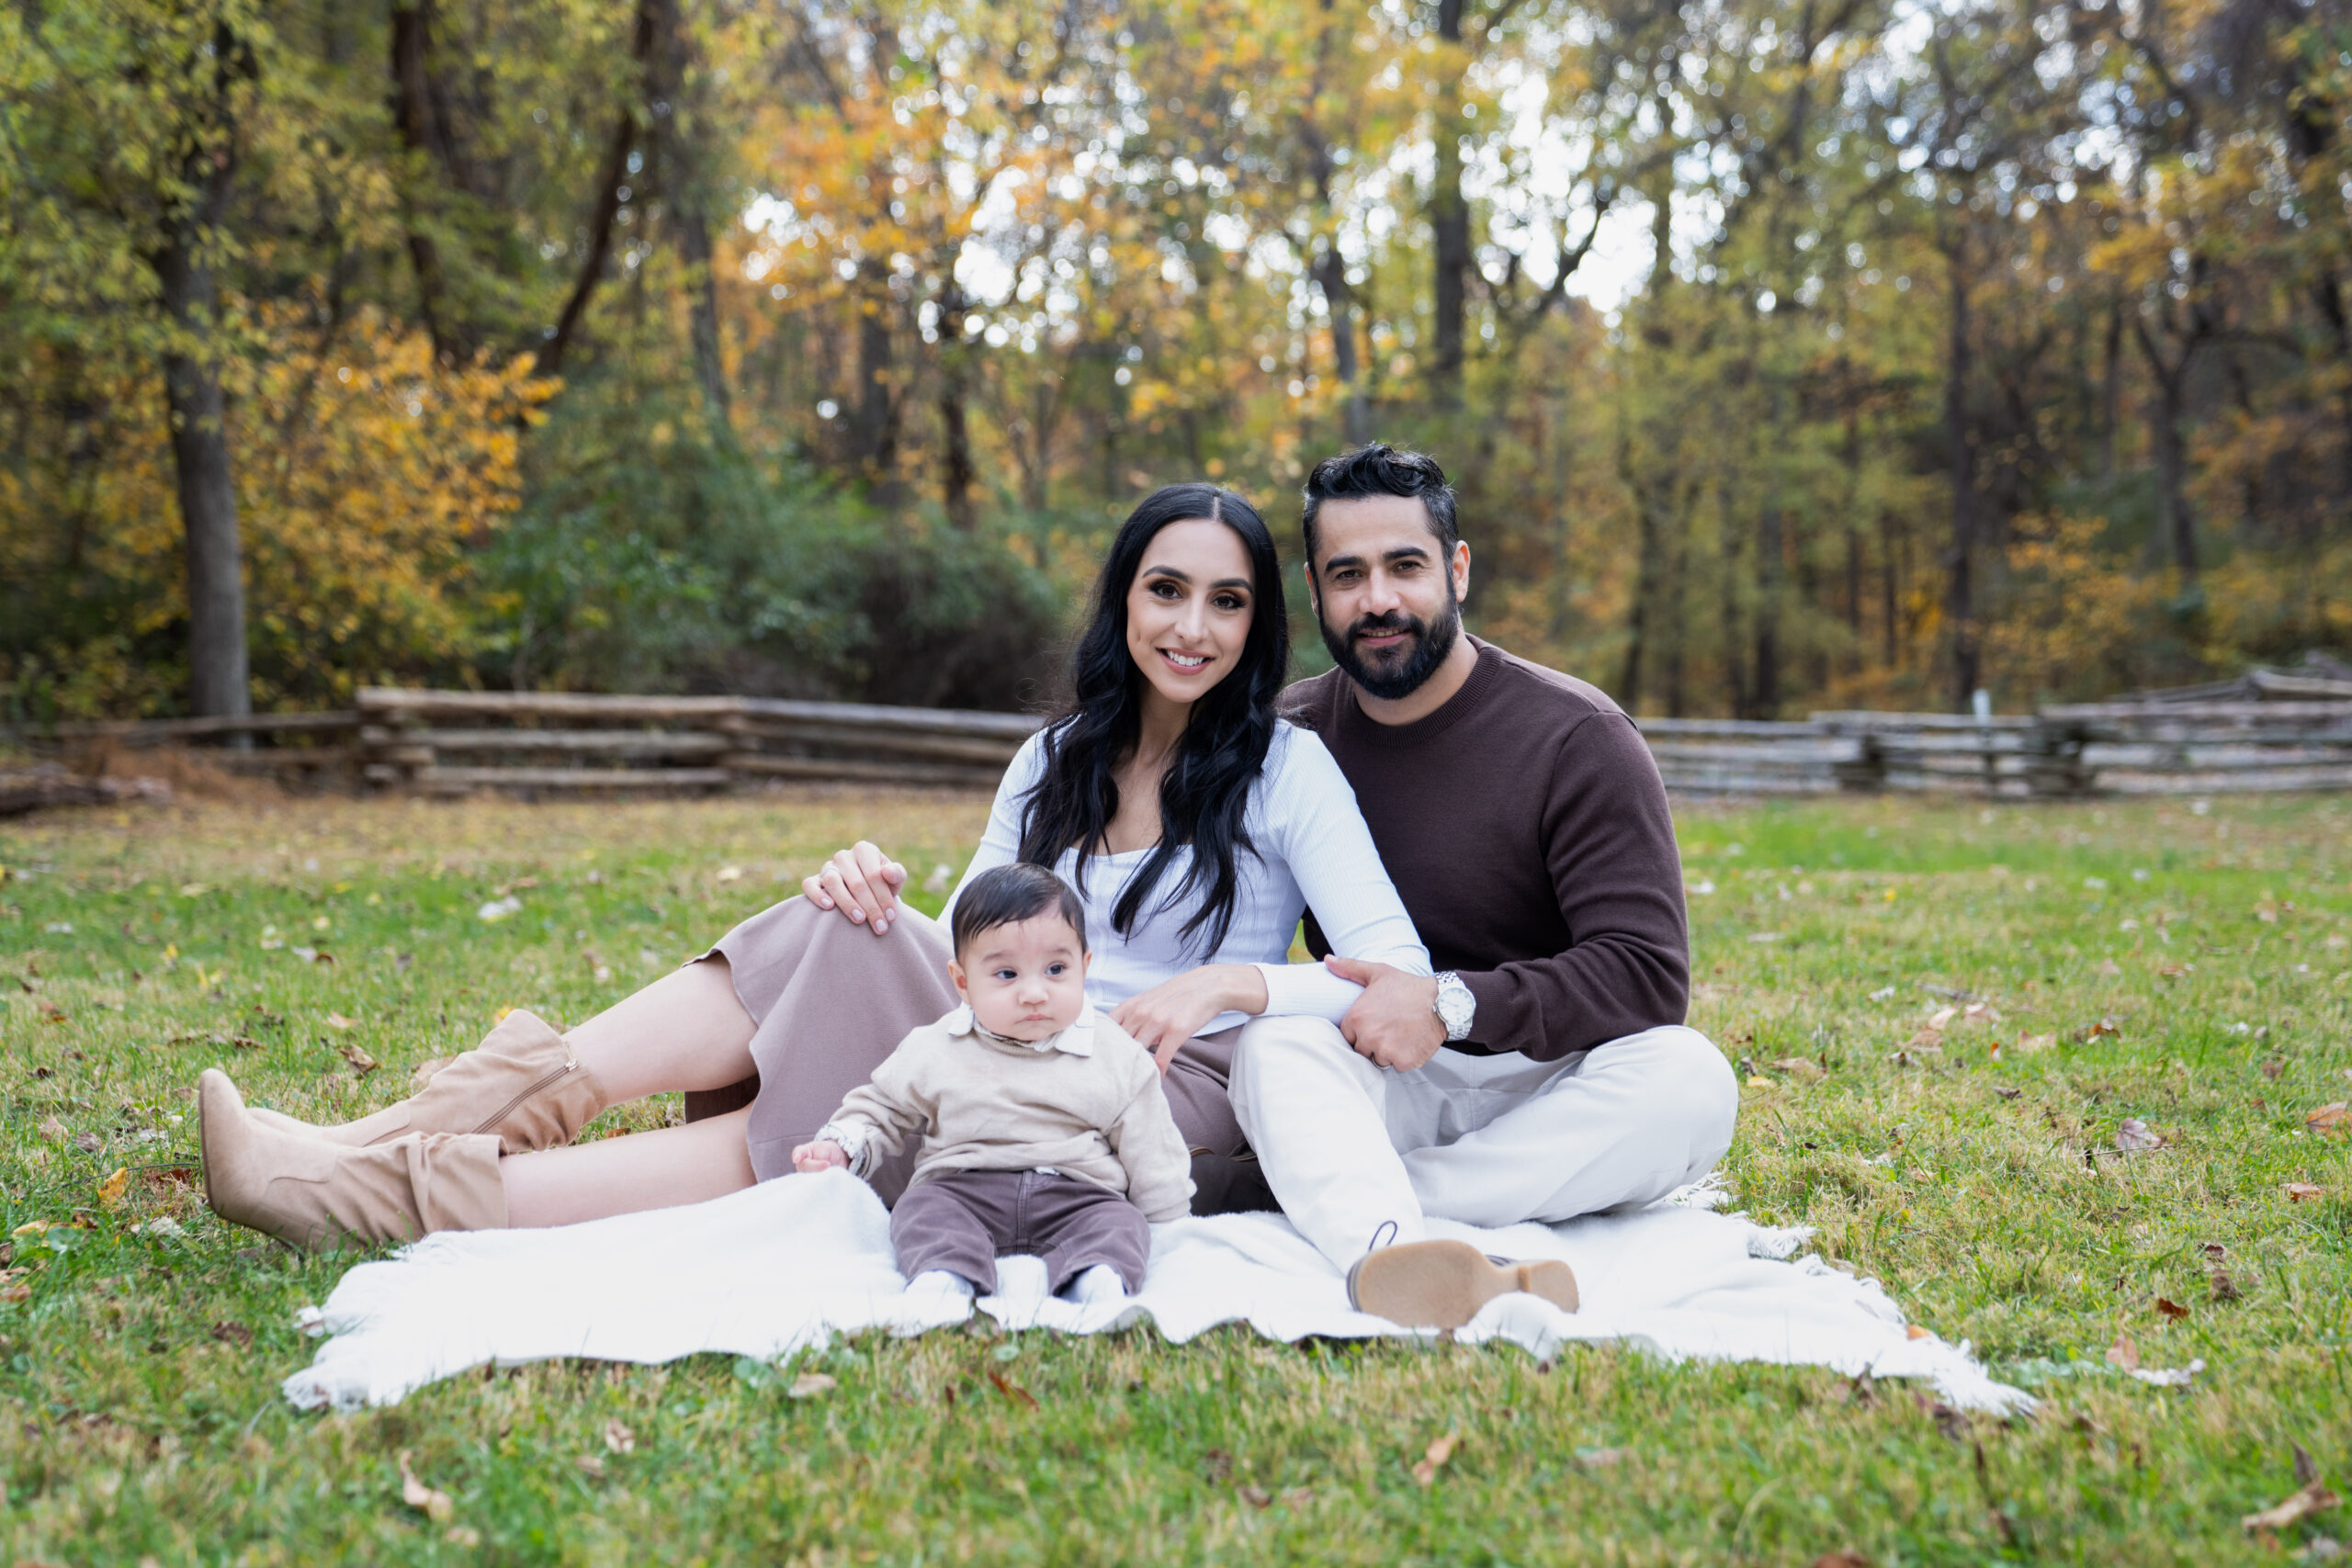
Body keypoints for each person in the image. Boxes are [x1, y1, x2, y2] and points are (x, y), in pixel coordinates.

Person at [192, 484, 1444, 1284]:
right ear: (1124, 599)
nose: (1193, 626)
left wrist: (1232, 981)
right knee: (828, 919)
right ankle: (365, 1142)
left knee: (866, 1075)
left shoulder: (1288, 770)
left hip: (1150, 1093)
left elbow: (1397, 982)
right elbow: (976, 939)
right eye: (1166, 589)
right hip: (1000, 1019)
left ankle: (377, 1193)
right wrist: (883, 890)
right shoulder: (1055, 756)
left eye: (1227, 600)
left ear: (1256, 625)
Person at [1225, 444, 1740, 1297]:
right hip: (1382, 1072)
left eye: (1406, 565)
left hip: (1553, 1078)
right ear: (1313, 592)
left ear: (1457, 570)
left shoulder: (1577, 737)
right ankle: (1401, 1238)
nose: (1378, 599)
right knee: (1274, 1047)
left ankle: (1386, 1221)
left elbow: (1647, 974)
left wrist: (1448, 1002)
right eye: (1347, 574)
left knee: (1692, 1082)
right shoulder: (1287, 736)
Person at [792, 863, 1192, 1308]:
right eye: (1007, 975)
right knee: (919, 1213)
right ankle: (946, 1273)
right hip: (962, 1189)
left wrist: (1169, 1222)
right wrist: (842, 1145)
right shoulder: (936, 1047)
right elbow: (880, 1107)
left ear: (1085, 966)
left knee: (1119, 1224)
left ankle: (1095, 1275)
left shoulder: (1114, 1053)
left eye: (1056, 969)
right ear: (963, 982)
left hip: (1078, 1193)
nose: (1035, 993)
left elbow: (1151, 1144)